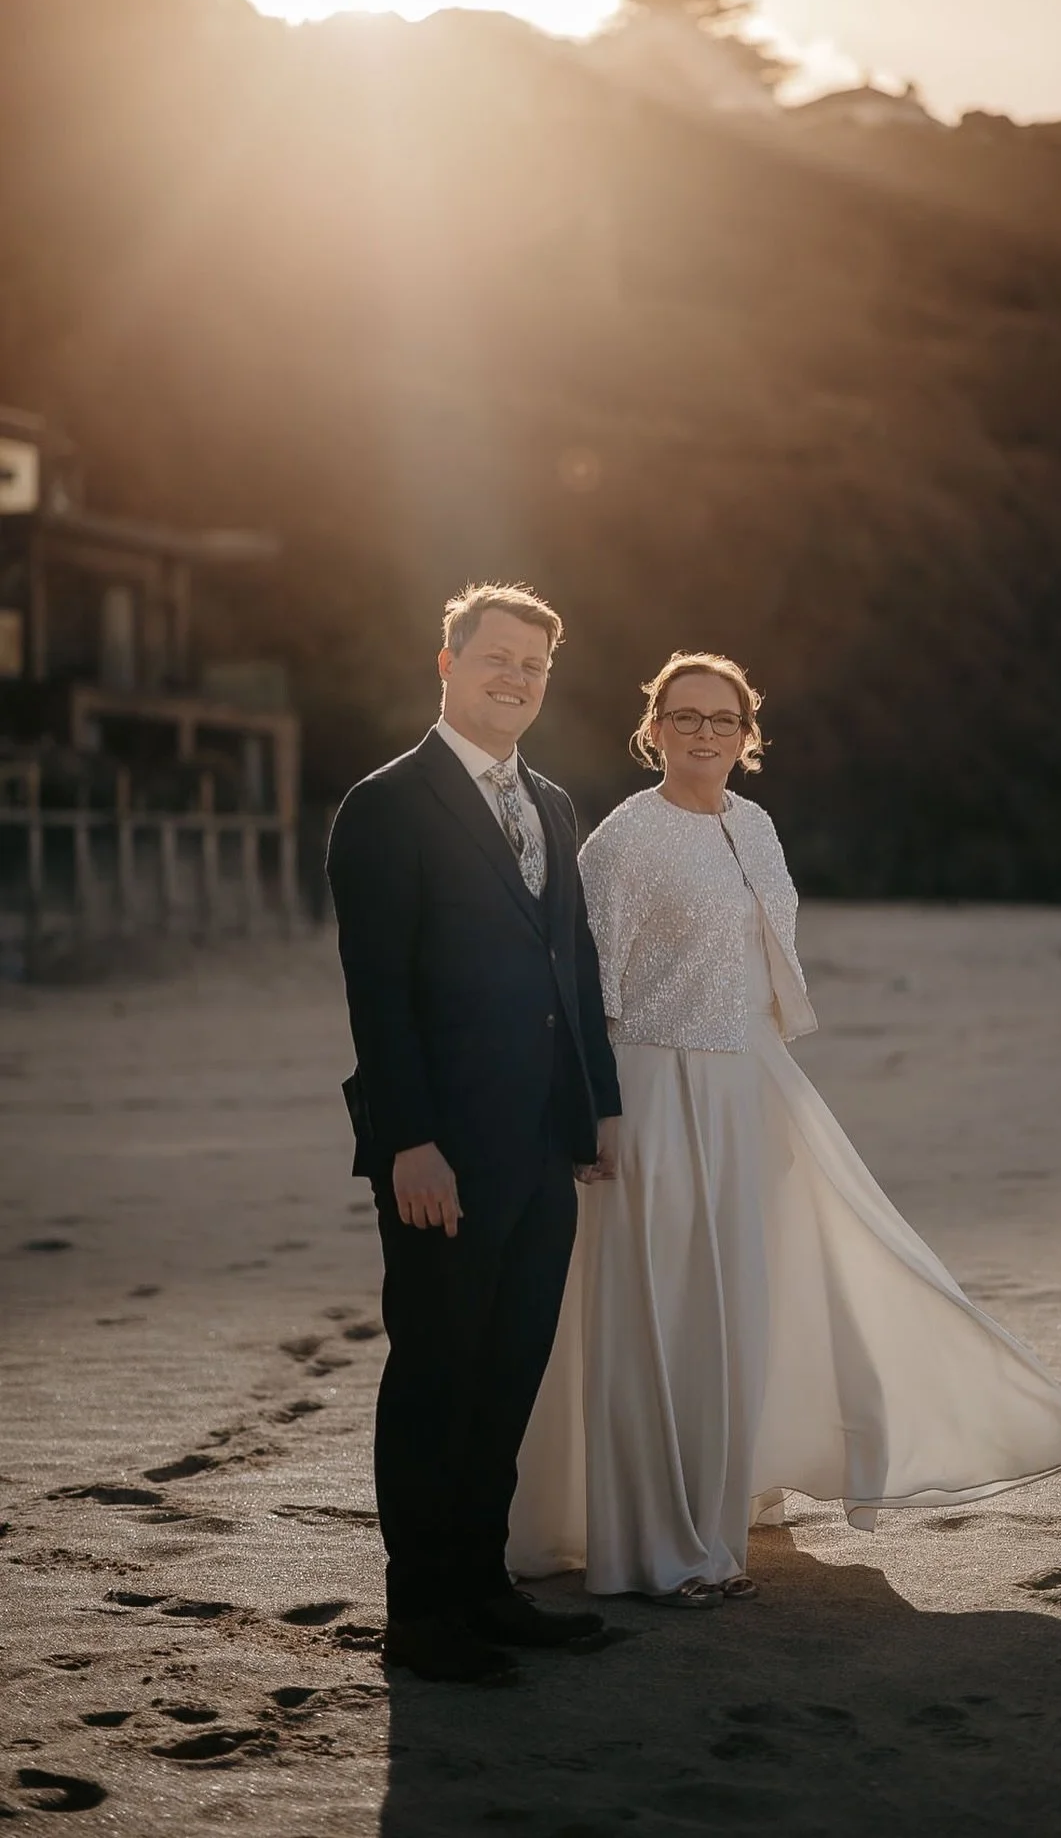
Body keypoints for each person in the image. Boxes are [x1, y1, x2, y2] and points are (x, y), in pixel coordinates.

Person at [508, 652, 1061, 1603]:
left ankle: (726, 1490)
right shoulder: (625, 838)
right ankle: (662, 1547)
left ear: (749, 735)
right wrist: (600, 1114)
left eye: (723, 719)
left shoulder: (757, 825)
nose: (704, 733)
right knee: (663, 1310)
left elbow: (764, 970)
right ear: (652, 728)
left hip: (751, 1085)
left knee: (746, 1296)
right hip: (655, 1087)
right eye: (685, 717)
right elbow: (585, 988)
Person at [326, 582, 622, 1683]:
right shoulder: (387, 804)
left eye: (536, 666)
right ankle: (421, 1613)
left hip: (543, 1146)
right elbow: (378, 989)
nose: (518, 678)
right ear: (446, 663)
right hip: (440, 1151)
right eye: (498, 657)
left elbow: (573, 966)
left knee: (509, 1373)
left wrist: (595, 1108)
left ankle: (485, 1586)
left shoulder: (550, 803)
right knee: (437, 1376)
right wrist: (408, 1140)